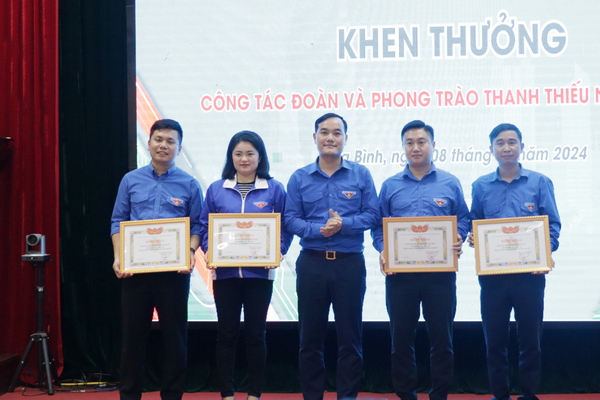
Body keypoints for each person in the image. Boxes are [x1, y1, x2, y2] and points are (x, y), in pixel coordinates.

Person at [284, 113, 380, 400]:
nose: (330, 138)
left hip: (349, 265)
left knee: (350, 338)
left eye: (337, 133)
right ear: (314, 137)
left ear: (345, 139)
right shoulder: (299, 177)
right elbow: (290, 219)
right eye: (324, 132)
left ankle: (347, 396)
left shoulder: (361, 174)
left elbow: (373, 215)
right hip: (312, 263)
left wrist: (343, 224)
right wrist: (318, 230)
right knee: (309, 339)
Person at [371, 120, 469, 400]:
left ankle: (440, 394)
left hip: (440, 275)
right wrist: (383, 249)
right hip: (401, 276)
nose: (416, 147)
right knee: (401, 340)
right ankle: (406, 394)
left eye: (421, 142)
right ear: (403, 147)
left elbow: (463, 218)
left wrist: (459, 236)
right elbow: (378, 225)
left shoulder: (450, 182)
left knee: (442, 340)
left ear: (433, 145)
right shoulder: (390, 185)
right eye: (410, 143)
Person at [110, 119, 203, 400]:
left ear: (179, 147)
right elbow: (118, 222)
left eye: (170, 141)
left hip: (173, 274)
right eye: (158, 139)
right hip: (135, 272)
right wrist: (119, 257)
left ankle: (172, 394)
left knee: (175, 339)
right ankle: (129, 395)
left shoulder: (189, 184)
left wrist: (189, 253)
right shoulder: (130, 180)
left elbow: (198, 227)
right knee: (132, 339)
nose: (164, 145)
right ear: (149, 143)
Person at [469, 123, 561, 400]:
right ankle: (500, 395)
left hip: (530, 276)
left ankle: (529, 394)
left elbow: (552, 225)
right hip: (492, 278)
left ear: (522, 146)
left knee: (530, 341)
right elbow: (475, 223)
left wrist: (546, 253)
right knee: (494, 342)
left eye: (512, 142)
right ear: (491, 149)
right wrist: (473, 238)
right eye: (500, 143)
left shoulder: (540, 182)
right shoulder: (481, 186)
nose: (506, 148)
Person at [199, 131, 292, 400]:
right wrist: (209, 250)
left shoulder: (274, 189)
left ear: (260, 157)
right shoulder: (216, 189)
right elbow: (205, 227)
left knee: (256, 335)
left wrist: (279, 250)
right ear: (231, 157)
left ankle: (254, 394)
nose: (244, 159)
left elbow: (285, 226)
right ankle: (227, 393)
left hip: (259, 275)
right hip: (225, 275)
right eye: (238, 153)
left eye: (250, 153)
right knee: (226, 334)